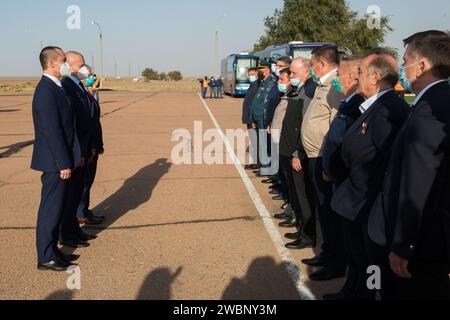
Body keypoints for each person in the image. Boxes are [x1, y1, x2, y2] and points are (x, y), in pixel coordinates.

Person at [369, 31, 450, 300]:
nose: (403, 68)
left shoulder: (429, 110)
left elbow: (420, 183)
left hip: (424, 244)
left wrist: (404, 244)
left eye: (405, 62)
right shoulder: (433, 101)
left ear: (423, 66)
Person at [331, 48, 410, 300]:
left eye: (361, 72)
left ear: (375, 78)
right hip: (356, 202)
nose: (357, 76)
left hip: (369, 206)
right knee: (357, 259)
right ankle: (353, 291)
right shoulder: (372, 106)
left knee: (371, 268)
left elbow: (390, 165)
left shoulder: (390, 111)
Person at [31, 46, 81, 271]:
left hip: (61, 160)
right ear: (51, 63)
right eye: (63, 60)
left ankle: (53, 251)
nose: (66, 65)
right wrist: (63, 163)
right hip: (54, 163)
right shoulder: (45, 90)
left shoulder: (56, 87)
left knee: (57, 208)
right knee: (50, 210)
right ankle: (45, 257)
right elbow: (52, 131)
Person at [321, 56, 366, 300]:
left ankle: (361, 292)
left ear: (350, 77)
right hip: (342, 184)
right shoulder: (349, 103)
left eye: (339, 77)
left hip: (352, 188)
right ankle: (351, 288)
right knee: (353, 248)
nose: (336, 82)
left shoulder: (358, 106)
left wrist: (335, 170)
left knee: (360, 251)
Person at [300, 45, 346, 281]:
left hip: (322, 156)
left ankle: (336, 262)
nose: (312, 67)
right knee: (322, 209)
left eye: (313, 63)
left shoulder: (334, 86)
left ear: (323, 63)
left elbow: (335, 127)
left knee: (328, 210)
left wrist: (329, 161)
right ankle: (328, 253)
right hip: (314, 155)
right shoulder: (322, 85)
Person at [276, 57, 317, 250]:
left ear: (306, 71)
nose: (290, 76)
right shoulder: (298, 90)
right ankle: (300, 226)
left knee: (303, 196)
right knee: (294, 192)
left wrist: (297, 152)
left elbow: (305, 126)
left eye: (293, 73)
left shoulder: (309, 92)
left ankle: (307, 235)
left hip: (296, 153)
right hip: (287, 149)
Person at [60, 51, 98, 248]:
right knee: (71, 195)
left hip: (85, 149)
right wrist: (80, 151)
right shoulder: (67, 86)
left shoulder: (79, 87)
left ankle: (74, 231)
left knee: (76, 193)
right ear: (70, 65)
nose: (84, 68)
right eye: (80, 64)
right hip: (77, 152)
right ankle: (68, 234)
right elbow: (72, 125)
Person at [77, 65, 105, 226]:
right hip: (86, 147)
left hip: (93, 145)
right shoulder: (79, 95)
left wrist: (98, 144)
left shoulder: (89, 93)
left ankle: (84, 210)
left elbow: (95, 122)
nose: (92, 77)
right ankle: (80, 213)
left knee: (88, 181)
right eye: (90, 74)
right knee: (84, 182)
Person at [252, 61, 277, 169]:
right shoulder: (263, 82)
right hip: (258, 117)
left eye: (261, 70)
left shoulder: (270, 82)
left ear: (267, 70)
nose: (259, 72)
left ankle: (267, 166)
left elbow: (267, 102)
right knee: (262, 142)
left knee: (265, 143)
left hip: (263, 117)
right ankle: (264, 164)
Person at [243, 68, 261, 170]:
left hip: (252, 119)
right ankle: (256, 161)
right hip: (249, 119)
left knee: (256, 141)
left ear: (257, 75)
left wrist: (253, 120)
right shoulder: (252, 85)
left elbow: (255, 105)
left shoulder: (257, 86)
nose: (250, 76)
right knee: (254, 141)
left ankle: (257, 163)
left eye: (252, 74)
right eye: (249, 74)